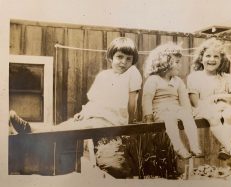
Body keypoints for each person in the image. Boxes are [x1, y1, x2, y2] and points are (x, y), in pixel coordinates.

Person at [9, 37, 142, 178]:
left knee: (67, 130)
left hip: (110, 121)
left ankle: (30, 130)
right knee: (67, 126)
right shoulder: (104, 76)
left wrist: (129, 125)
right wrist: (83, 112)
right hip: (93, 118)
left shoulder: (132, 73)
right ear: (110, 58)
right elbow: (94, 101)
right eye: (119, 57)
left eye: (129, 59)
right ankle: (31, 130)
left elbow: (132, 103)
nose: (124, 62)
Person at [142, 42, 203, 159]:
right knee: (170, 120)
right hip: (160, 111)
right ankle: (178, 147)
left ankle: (194, 146)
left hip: (176, 109)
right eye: (177, 62)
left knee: (188, 118)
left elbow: (184, 99)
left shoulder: (178, 81)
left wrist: (188, 112)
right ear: (164, 62)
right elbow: (147, 98)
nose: (180, 66)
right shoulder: (153, 80)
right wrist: (148, 115)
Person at [187, 37, 231, 160]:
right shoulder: (194, 77)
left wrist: (219, 97)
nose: (212, 59)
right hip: (201, 110)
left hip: (222, 108)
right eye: (208, 56)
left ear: (221, 60)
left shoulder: (226, 78)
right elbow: (195, 102)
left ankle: (224, 148)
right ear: (201, 58)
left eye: (216, 56)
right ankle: (230, 148)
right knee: (213, 116)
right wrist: (216, 106)